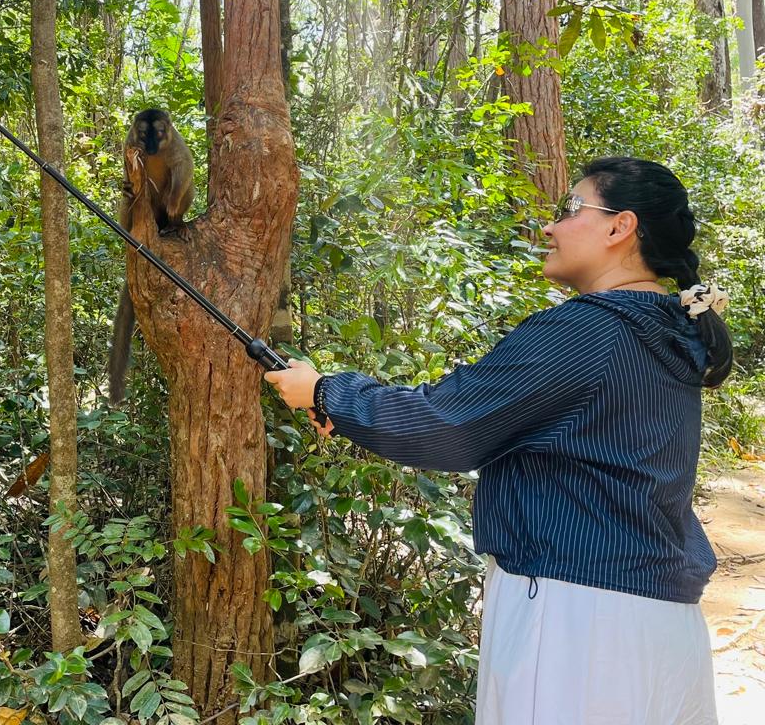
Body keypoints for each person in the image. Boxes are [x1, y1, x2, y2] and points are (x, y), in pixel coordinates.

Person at [265, 157, 732, 725]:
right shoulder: (665, 331)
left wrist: (325, 391)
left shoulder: (592, 329)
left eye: (571, 209)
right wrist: (345, 408)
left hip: (578, 627)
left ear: (620, 226)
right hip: (660, 627)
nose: (551, 226)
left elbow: (448, 425)